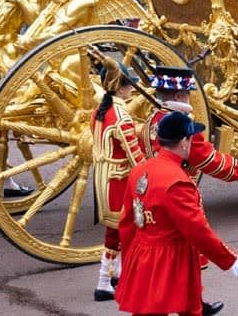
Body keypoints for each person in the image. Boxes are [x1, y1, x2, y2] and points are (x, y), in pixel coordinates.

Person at [141, 66, 238, 315]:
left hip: (150, 191)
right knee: (186, 250)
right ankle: (191, 306)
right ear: (181, 96)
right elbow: (207, 159)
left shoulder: (151, 120)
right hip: (177, 190)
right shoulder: (178, 125)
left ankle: (192, 303)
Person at [115, 111, 238, 316]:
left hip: (142, 253)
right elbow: (197, 229)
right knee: (190, 310)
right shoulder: (178, 181)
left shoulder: (140, 170)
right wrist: (227, 258)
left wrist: (129, 259)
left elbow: (127, 222)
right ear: (184, 142)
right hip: (173, 257)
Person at [91, 58, 146, 302]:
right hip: (119, 181)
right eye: (129, 84)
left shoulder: (99, 111)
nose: (132, 88)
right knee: (128, 231)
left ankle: (115, 277)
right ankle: (107, 281)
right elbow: (135, 156)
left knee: (115, 232)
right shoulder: (121, 115)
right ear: (120, 86)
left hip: (103, 179)